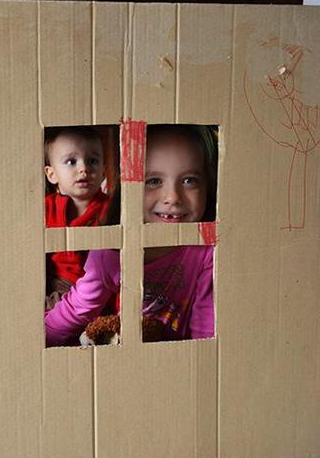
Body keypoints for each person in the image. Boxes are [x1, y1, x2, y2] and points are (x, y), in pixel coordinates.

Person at [45, 124, 217, 347]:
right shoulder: (111, 251)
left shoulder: (206, 251)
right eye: (154, 181)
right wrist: (34, 342)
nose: (173, 197)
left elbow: (206, 329)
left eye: (189, 180)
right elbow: (78, 308)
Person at [45, 127, 111, 298]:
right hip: (59, 282)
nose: (84, 168)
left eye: (93, 161)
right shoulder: (45, 208)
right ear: (52, 174)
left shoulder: (110, 207)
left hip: (99, 283)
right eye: (71, 162)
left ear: (103, 171)